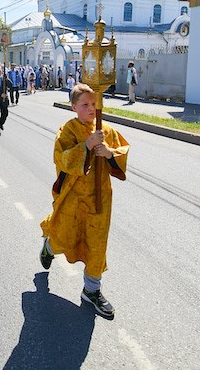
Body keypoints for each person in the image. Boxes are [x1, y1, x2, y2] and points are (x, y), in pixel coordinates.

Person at [39, 83, 129, 319]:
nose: (91, 108)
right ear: (74, 107)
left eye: (93, 104)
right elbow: (61, 158)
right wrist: (86, 146)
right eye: (85, 105)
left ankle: (92, 290)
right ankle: (49, 246)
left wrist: (109, 154)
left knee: (97, 244)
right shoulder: (68, 130)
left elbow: (122, 153)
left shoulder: (107, 131)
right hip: (74, 197)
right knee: (65, 235)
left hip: (100, 199)